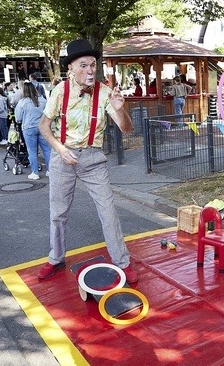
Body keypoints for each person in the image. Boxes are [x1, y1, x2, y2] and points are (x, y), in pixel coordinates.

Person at [37, 38, 137, 283]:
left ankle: (122, 262)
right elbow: (43, 126)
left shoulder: (105, 92)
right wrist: (59, 149)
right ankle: (55, 258)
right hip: (64, 157)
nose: (90, 70)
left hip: (93, 158)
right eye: (84, 65)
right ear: (71, 67)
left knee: (108, 211)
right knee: (58, 213)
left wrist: (120, 108)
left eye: (93, 64)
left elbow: (126, 129)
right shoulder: (60, 90)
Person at [15, 82, 51, 180]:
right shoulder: (42, 100)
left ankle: (35, 172)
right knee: (47, 150)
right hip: (42, 127)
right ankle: (50, 170)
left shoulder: (22, 102)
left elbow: (18, 118)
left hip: (29, 127)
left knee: (32, 151)